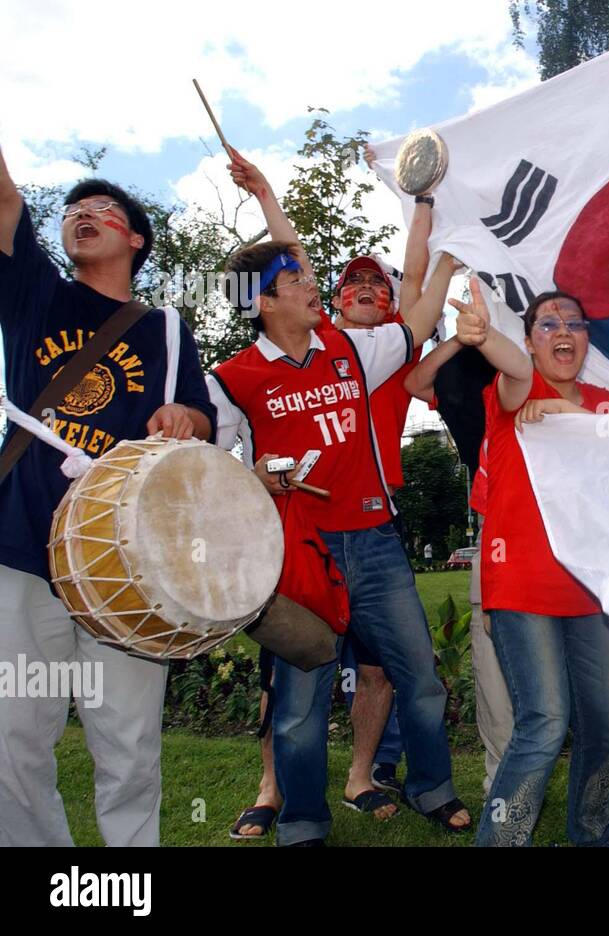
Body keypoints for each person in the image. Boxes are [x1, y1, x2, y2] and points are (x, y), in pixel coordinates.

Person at [208, 219, 469, 845]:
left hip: (375, 538)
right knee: (300, 706)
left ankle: (431, 786)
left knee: (420, 677)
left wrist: (448, 258)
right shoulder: (230, 380)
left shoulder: (351, 349)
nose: (310, 283)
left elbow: (416, 320)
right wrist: (257, 480)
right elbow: (211, 478)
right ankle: (302, 821)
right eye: (293, 278)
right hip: (300, 556)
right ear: (263, 301)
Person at [0, 148, 216, 845]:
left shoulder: (168, 332)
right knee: (12, 743)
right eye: (72, 211)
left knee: (127, 754)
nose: (83, 216)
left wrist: (188, 421)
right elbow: (5, 204)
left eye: (104, 211)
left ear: (136, 239)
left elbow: (200, 421)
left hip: (128, 570)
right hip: (21, 548)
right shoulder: (35, 294)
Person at [451, 279, 609, 847]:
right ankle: (502, 839)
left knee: (604, 724)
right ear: (529, 342)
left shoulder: (606, 406)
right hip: (522, 587)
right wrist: (486, 338)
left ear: (587, 340)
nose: (563, 332)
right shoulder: (510, 392)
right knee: (545, 721)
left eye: (574, 324)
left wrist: (563, 408)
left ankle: (595, 829)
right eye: (547, 325)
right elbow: (512, 370)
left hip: (589, 590)